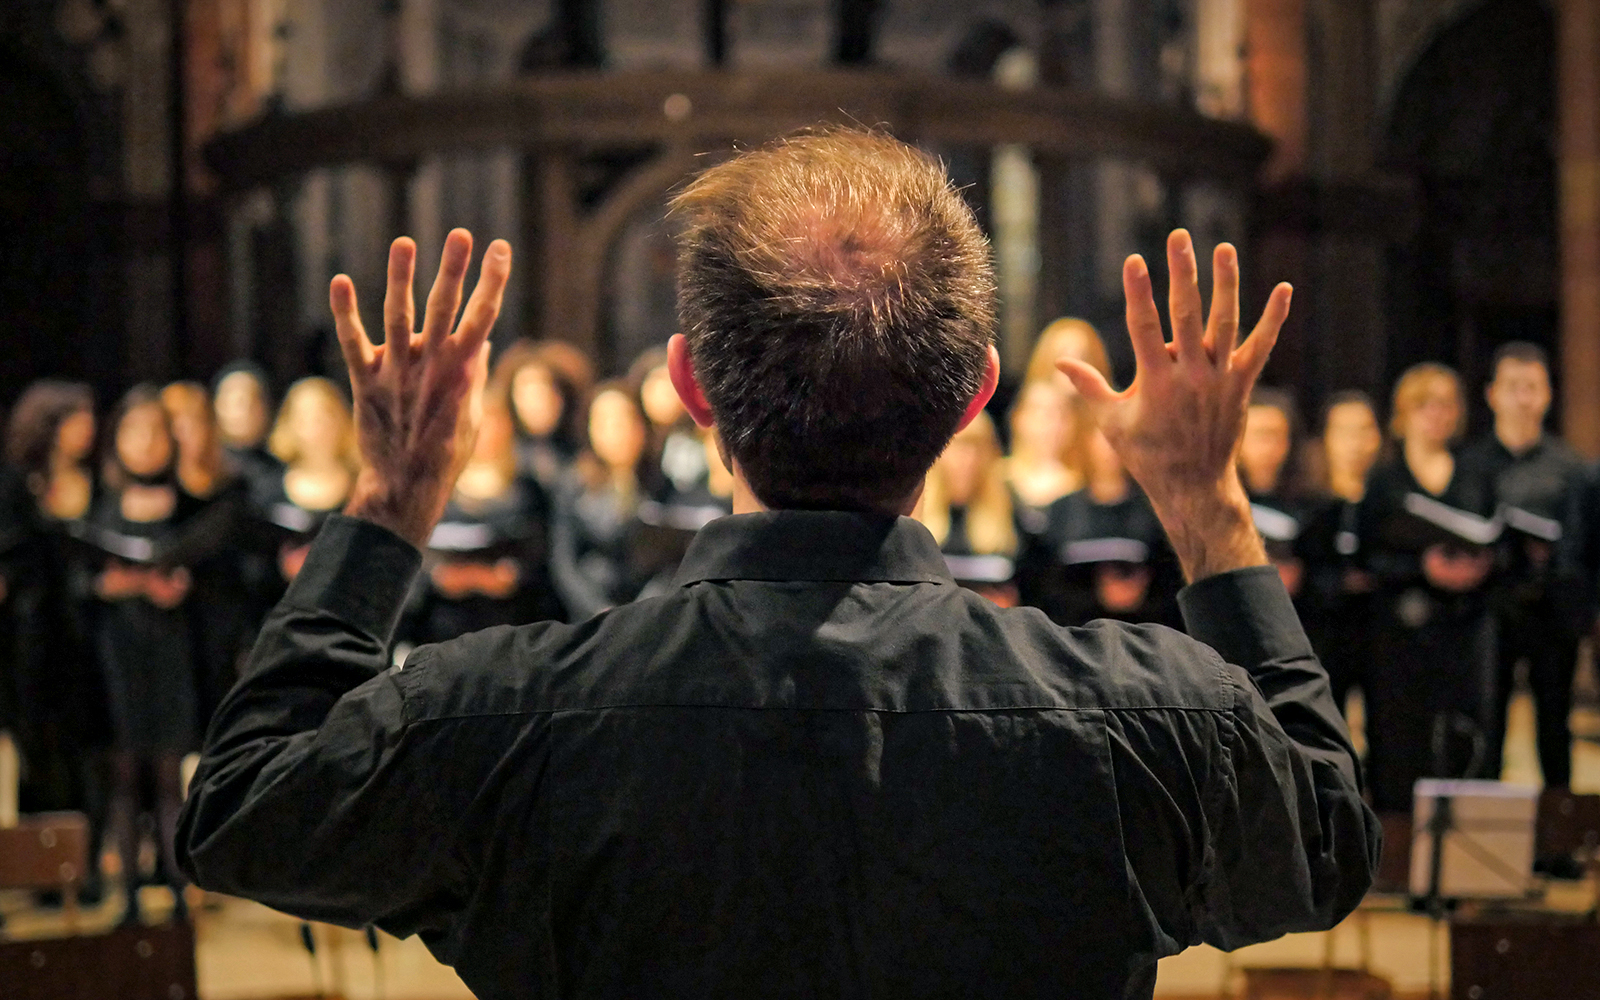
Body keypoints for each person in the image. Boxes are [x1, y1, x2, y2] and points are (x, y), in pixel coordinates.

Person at [177, 132, 1377, 1000]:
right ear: (975, 397)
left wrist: (389, 502)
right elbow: (1326, 837)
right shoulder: (1141, 718)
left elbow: (241, 809)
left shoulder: (503, 715)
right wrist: (1209, 513)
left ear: (690, 386)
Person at [86, 386, 216, 925]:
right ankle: (129, 897)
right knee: (123, 774)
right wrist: (107, 586)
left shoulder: (188, 504)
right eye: (133, 430)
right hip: (119, 652)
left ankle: (179, 892)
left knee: (168, 775)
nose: (144, 442)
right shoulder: (104, 504)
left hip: (171, 649)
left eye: (155, 431)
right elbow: (79, 578)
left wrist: (182, 586)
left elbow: (216, 581)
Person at [1357, 364, 1497, 813]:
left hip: (1463, 623)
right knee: (1401, 732)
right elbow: (1366, 557)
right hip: (1402, 626)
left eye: (1446, 405)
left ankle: (1462, 835)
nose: (1437, 415)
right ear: (1404, 414)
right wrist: (1422, 567)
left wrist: (1478, 565)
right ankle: (1399, 832)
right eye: (1425, 406)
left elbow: (1495, 537)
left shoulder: (1475, 474)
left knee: (1464, 732)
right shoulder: (1385, 479)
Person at [1458, 343, 1591, 789]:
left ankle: (1558, 828)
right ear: (1492, 394)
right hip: (1488, 608)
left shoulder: (1571, 467)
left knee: (1555, 725)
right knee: (1485, 721)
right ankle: (1484, 822)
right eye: (1513, 387)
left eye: (1532, 387)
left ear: (1548, 395)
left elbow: (1583, 544)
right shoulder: (1469, 463)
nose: (1523, 398)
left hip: (1552, 612)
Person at [2, 382, 109, 899]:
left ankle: (86, 869)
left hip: (92, 632)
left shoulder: (100, 480)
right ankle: (45, 874)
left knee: (91, 752)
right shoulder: (16, 484)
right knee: (41, 751)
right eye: (77, 420)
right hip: (33, 635)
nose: (88, 430)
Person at [408, 399, 563, 645]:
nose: (485, 434)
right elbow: (415, 549)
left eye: (492, 425)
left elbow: (542, 551)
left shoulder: (527, 489)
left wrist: (507, 575)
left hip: (511, 620)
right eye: (476, 426)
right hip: (444, 622)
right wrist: (439, 575)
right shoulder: (434, 489)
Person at [1024, 425, 1180, 628]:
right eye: (1104, 442)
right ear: (1087, 444)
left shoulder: (1152, 511)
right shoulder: (1062, 510)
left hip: (1140, 626)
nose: (1109, 452)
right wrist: (1096, 597)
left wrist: (1138, 596)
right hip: (1074, 628)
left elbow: (1171, 579)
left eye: (1117, 443)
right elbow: (1042, 581)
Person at [162, 382, 252, 729]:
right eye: (173, 424)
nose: (182, 433)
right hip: (168, 621)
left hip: (219, 612)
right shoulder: (156, 487)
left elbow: (210, 541)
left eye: (191, 421)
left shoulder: (233, 482)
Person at [1298, 391, 1385, 718]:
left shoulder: (1388, 501)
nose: (1356, 443)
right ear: (1325, 440)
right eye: (1345, 432)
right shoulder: (1308, 505)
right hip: (1323, 634)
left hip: (1380, 633)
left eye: (1365, 430)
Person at [548, 381, 654, 620]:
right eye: (606, 423)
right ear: (589, 429)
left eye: (627, 419)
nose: (619, 431)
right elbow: (564, 563)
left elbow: (670, 563)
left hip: (651, 614)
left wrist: (644, 612)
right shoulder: (575, 484)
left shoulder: (660, 480)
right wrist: (599, 610)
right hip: (594, 614)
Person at [915, 411, 1019, 605]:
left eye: (978, 449)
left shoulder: (1013, 515)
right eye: (958, 448)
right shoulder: (915, 519)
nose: (968, 460)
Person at [263, 377, 360, 584]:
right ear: (289, 423)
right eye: (305, 419)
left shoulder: (363, 490)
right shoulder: (267, 489)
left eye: (325, 416)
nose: (317, 428)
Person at [493, 339, 589, 492]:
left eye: (546, 392)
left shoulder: (583, 462)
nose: (538, 402)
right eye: (527, 393)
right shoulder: (501, 462)